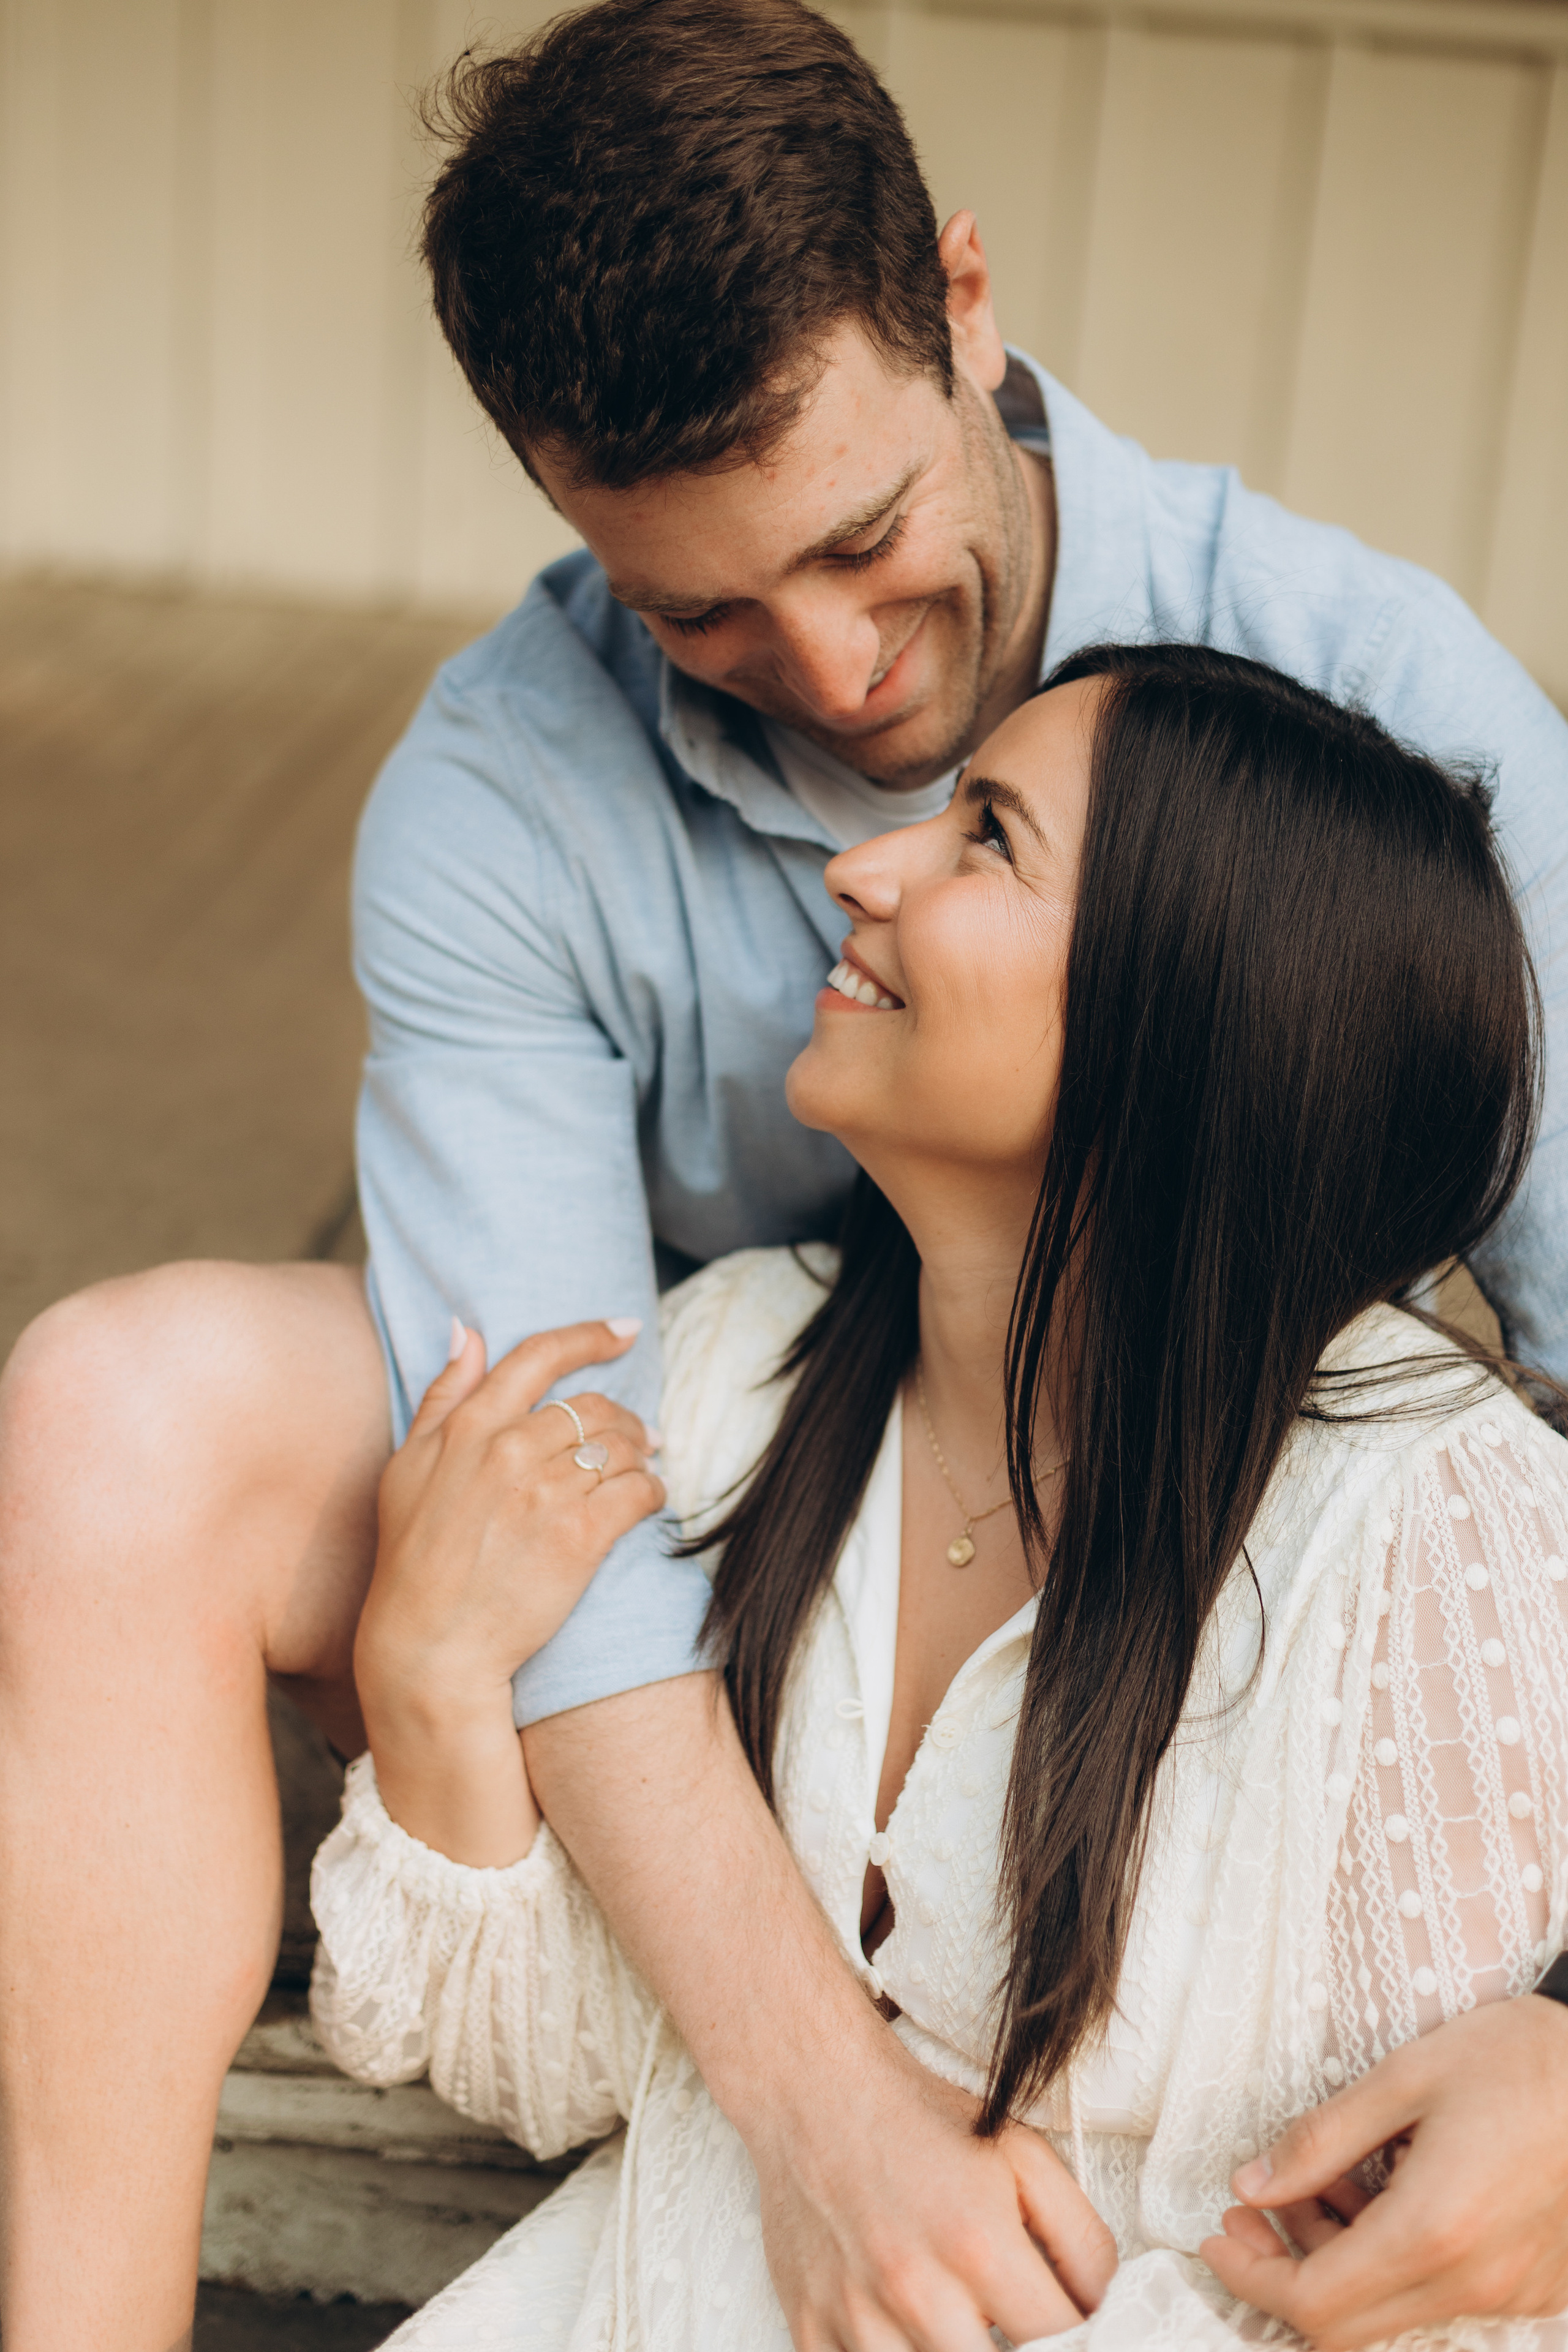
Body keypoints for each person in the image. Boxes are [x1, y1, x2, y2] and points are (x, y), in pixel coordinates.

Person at [2, 3, 1567, 2345]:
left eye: (863, 541)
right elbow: (569, 1479)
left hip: (1163, 1490)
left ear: (959, 302)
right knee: (115, 1406)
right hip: (737, 1474)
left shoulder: (1386, 710)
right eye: (700, 611)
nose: (832, 675)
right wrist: (826, 2117)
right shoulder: (493, 805)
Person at [309, 645, 1568, 2351]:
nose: (864, 866)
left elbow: (1411, 2286)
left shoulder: (1430, 1519)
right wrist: (433, 1684)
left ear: (1189, 1016)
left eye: (988, 838)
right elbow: (575, 2071)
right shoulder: (737, 1370)